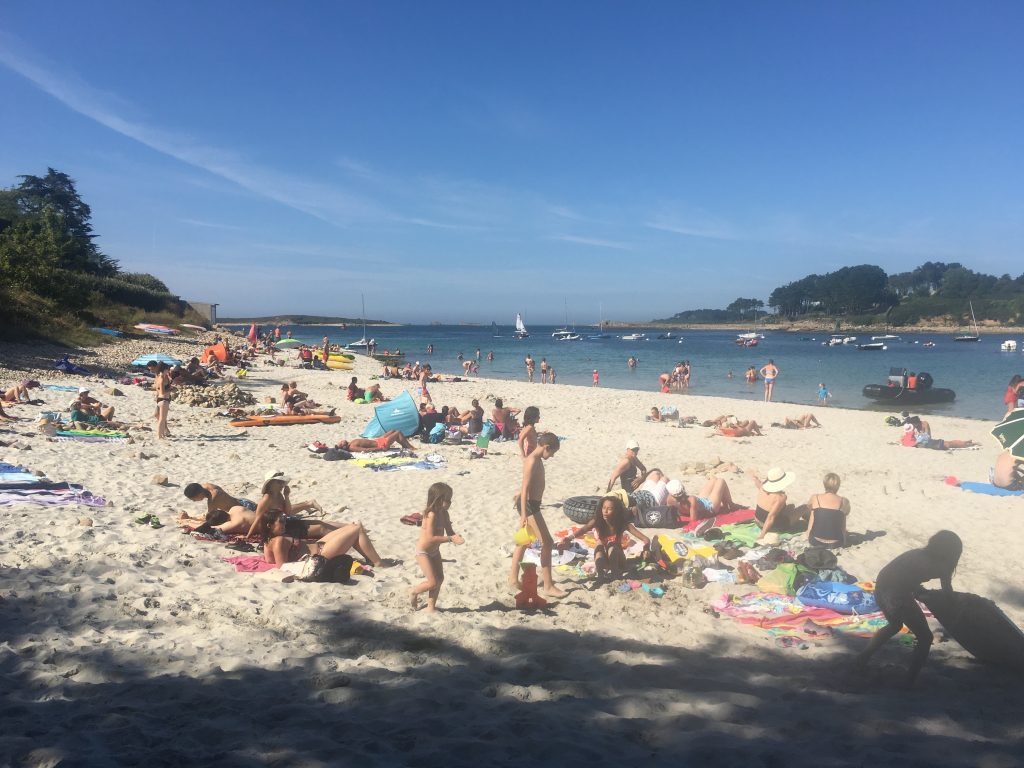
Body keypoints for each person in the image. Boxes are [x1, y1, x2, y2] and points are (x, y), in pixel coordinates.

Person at [855, 530, 963, 687]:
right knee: (925, 638)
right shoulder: (941, 566)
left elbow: (902, 575)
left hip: (881, 588)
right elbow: (948, 594)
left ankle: (862, 658)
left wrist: (916, 590)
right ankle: (909, 680)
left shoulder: (916, 554)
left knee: (894, 625)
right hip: (896, 595)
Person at [509, 433, 564, 597]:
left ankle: (513, 578)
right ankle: (548, 586)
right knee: (547, 542)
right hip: (529, 506)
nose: (552, 456)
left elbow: (528, 484)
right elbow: (525, 487)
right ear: (546, 447)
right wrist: (523, 516)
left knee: (523, 542)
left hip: (531, 504)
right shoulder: (532, 460)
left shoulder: (537, 459)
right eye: (552, 452)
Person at [263, 510, 394, 570]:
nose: (285, 524)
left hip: (319, 546)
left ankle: (371, 559)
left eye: (285, 520)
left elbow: (269, 560)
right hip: (321, 554)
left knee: (352, 527)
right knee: (357, 529)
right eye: (281, 521)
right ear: (269, 525)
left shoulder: (268, 541)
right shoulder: (279, 541)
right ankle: (378, 563)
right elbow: (282, 567)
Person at [561, 495, 650, 579]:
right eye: (604, 508)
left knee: (611, 545)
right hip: (604, 562)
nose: (605, 511)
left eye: (609, 509)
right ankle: (601, 575)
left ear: (616, 511)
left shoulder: (622, 523)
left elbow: (645, 539)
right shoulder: (598, 521)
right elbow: (583, 529)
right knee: (599, 544)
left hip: (619, 561)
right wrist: (568, 538)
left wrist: (646, 549)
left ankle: (615, 574)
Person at [410, 482, 465, 611]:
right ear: (438, 500)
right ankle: (414, 591)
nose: (450, 502)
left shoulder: (444, 514)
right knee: (432, 582)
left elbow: (450, 531)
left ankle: (431, 607)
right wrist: (450, 539)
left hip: (434, 551)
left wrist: (456, 536)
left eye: (451, 499)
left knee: (440, 578)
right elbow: (430, 538)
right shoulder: (431, 515)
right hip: (423, 552)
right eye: (448, 500)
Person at [245, 471, 326, 540]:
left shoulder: (279, 495)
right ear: (270, 484)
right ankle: (308, 504)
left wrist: (286, 496)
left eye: (282, 482)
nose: (282, 485)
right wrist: (249, 535)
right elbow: (258, 518)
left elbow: (287, 512)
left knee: (319, 524)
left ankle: (308, 504)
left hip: (280, 523)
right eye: (279, 482)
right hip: (271, 526)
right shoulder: (267, 498)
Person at [749, 467, 802, 541]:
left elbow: (758, 484)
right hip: (771, 527)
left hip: (757, 521)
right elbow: (770, 517)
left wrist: (755, 479)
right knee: (804, 508)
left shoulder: (762, 488)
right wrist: (762, 535)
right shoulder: (780, 497)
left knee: (791, 506)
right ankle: (810, 527)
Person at [805, 472, 851, 547]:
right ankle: (843, 536)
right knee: (842, 513)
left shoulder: (815, 497)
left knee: (814, 510)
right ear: (838, 486)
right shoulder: (844, 501)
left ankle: (808, 533)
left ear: (824, 484)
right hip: (837, 543)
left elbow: (808, 506)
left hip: (814, 541)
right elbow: (847, 512)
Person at [669, 477, 738, 522]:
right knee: (721, 481)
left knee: (713, 479)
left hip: (701, 501)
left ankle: (727, 504)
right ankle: (730, 505)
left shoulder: (670, 500)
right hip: (710, 506)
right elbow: (694, 520)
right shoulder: (691, 500)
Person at [902, 416, 979, 450]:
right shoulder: (914, 426)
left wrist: (919, 436)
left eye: (913, 424)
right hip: (928, 442)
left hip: (930, 441)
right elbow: (910, 435)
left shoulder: (924, 423)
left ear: (916, 422)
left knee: (950, 443)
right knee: (949, 443)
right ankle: (967, 442)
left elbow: (928, 436)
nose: (912, 426)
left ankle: (970, 443)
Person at [336, 430, 415, 452]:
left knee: (393, 431)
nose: (341, 441)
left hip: (377, 441)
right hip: (380, 444)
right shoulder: (352, 447)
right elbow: (365, 450)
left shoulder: (351, 443)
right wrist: (379, 449)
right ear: (344, 446)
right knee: (398, 433)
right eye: (340, 443)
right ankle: (410, 447)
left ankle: (404, 445)